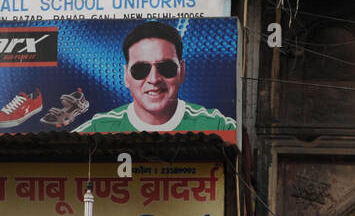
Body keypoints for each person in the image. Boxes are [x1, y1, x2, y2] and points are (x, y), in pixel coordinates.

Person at [73, 20, 237, 133]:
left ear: (182, 71)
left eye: (165, 67)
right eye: (140, 69)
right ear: (125, 76)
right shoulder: (98, 129)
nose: (153, 78)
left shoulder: (218, 125)